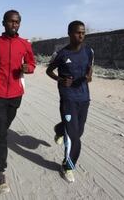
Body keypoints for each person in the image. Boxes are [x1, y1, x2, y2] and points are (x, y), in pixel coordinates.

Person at [0, 10, 36, 194]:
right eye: (11, 21)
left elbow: (32, 64)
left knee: (1, 130)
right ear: (3, 22)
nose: (14, 25)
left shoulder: (25, 44)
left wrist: (28, 68)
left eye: (17, 22)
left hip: (15, 95)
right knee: (2, 132)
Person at [46, 20, 94, 183]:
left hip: (84, 98)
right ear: (69, 33)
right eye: (77, 32)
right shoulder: (62, 54)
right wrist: (60, 79)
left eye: (83, 32)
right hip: (68, 99)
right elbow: (48, 70)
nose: (81, 35)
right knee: (74, 137)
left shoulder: (89, 51)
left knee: (78, 131)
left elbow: (90, 67)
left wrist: (89, 76)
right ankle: (68, 166)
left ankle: (60, 129)